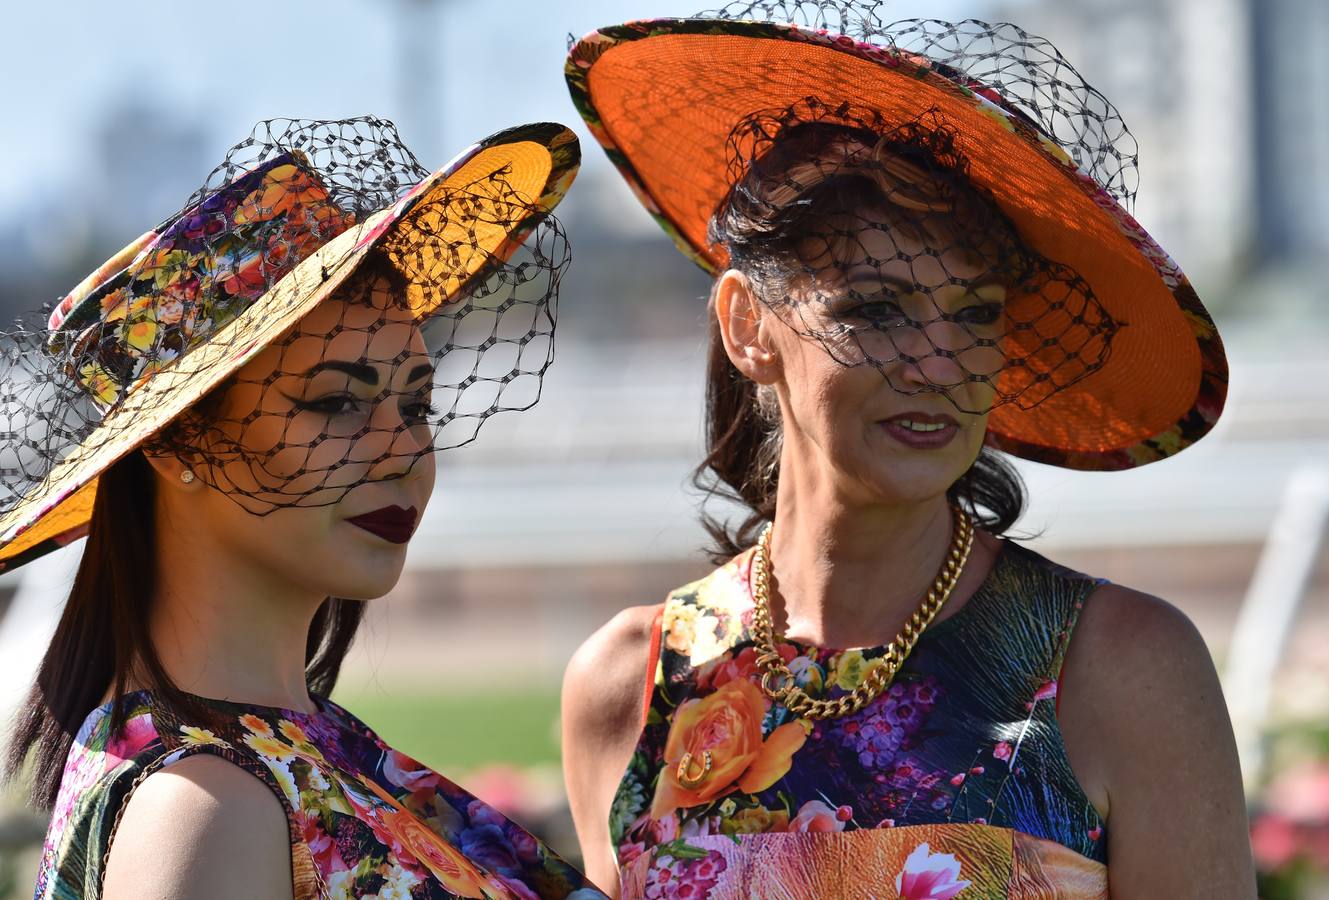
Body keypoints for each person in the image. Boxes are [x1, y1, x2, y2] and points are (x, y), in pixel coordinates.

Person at [560, 3, 1255, 897]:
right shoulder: (631, 683)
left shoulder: (1120, 668)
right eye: (875, 310)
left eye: (973, 315)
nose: (937, 366)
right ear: (748, 326)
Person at [2, 116, 602, 899]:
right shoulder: (206, 812)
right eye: (336, 403)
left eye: (415, 404)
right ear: (176, 445)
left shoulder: (275, 756)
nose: (402, 452)